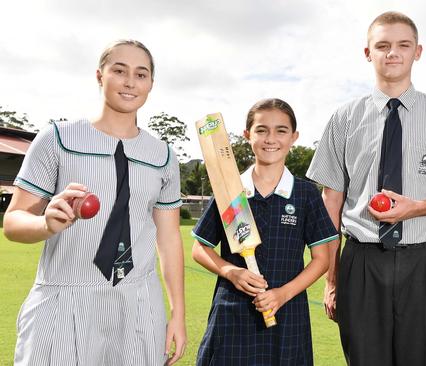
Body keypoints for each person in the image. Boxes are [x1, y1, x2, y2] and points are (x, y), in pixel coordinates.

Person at [306, 11, 426, 366]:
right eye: (383, 45)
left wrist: (416, 208)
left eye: (403, 45)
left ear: (417, 51)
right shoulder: (344, 118)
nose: (392, 53)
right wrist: (332, 280)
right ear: (368, 53)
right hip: (360, 263)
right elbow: (331, 203)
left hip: (425, 262)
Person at [3, 39, 186, 365]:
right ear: (100, 75)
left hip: (139, 301)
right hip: (63, 296)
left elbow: (169, 239)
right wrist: (45, 223)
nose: (130, 81)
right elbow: (13, 222)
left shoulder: (163, 155)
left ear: (150, 85)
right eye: (120, 70)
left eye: (141, 74)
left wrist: (178, 315)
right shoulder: (57, 138)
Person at [192, 98, 338, 366]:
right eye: (261, 130)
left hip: (287, 313)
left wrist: (283, 294)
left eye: (281, 130)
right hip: (232, 313)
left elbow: (322, 260)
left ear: (294, 137)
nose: (271, 138)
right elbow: (199, 248)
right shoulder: (230, 191)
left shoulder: (305, 194)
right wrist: (230, 272)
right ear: (248, 135)